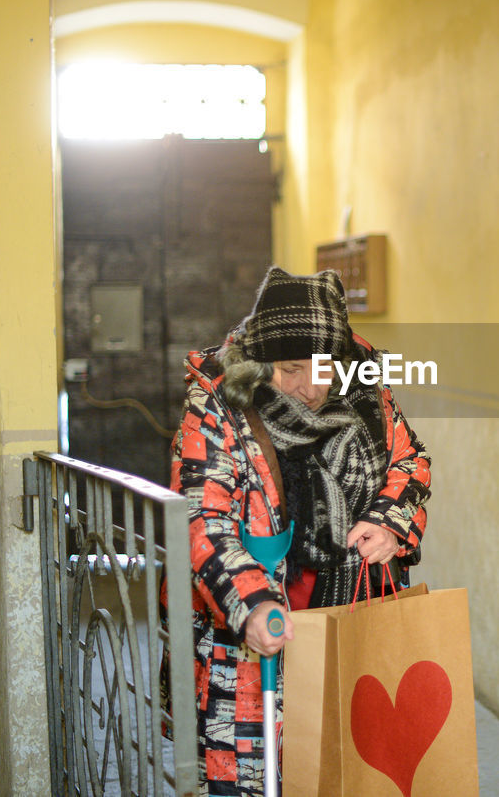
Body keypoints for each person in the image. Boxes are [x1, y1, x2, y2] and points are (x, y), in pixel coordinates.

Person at [165, 267, 430, 795]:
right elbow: (203, 517)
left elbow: (409, 461)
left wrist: (387, 522)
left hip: (347, 615)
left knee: (346, 766)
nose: (309, 388)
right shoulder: (219, 401)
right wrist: (251, 603)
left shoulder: (366, 389)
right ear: (262, 363)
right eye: (289, 370)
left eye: (324, 370)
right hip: (249, 628)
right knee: (252, 775)